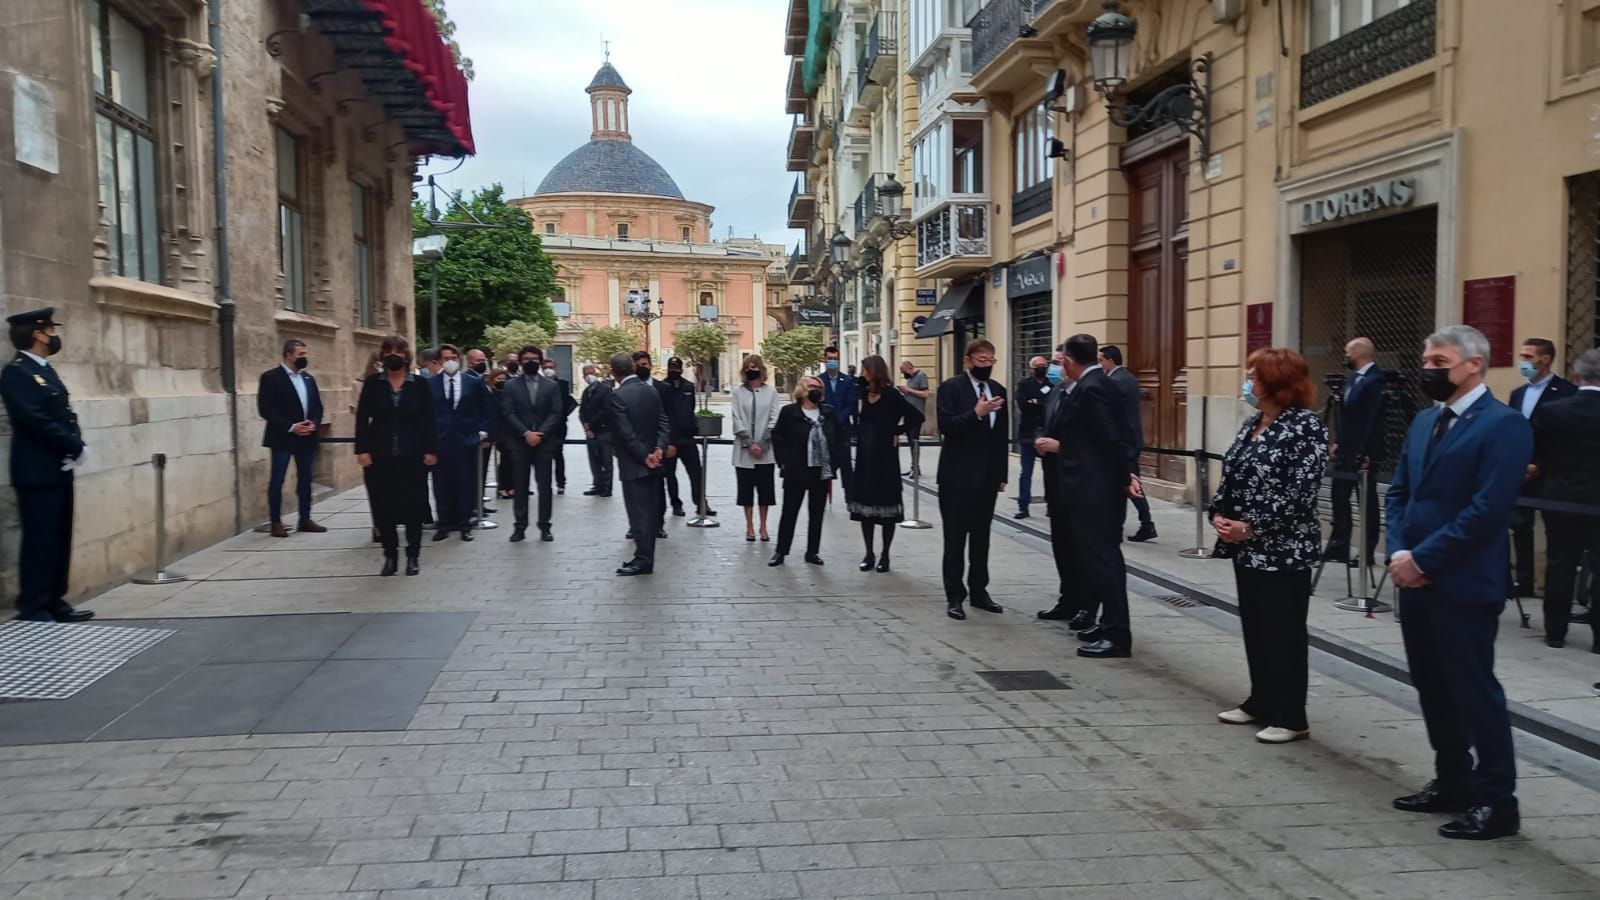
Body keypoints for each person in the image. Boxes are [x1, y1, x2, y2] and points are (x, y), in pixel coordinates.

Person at [1386, 325, 1531, 841]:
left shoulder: (1504, 425)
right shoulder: (1425, 421)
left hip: (1464, 583)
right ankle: (1452, 780)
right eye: (1426, 357)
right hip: (1415, 581)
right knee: (1431, 686)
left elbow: (1488, 510)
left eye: (1439, 359)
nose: (1428, 367)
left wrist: (1424, 559)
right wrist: (1398, 551)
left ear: (1473, 364)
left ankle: (1497, 800)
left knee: (1473, 691)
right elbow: (1399, 492)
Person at [1208, 348, 1329, 745]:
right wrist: (1219, 515)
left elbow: (1300, 491)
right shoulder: (1252, 423)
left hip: (1284, 548)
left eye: (1253, 375)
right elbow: (1232, 474)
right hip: (1245, 547)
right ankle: (1261, 699)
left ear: (1276, 382)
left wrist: (1254, 526)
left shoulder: (1306, 427)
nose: (1247, 382)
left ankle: (1291, 715)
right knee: (1256, 627)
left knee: (1284, 631)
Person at [1034, 335, 1140, 659]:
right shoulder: (1094, 383)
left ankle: (1117, 634)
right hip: (1090, 488)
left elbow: (1110, 439)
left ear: (1068, 360)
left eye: (1061, 360)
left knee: (1105, 562)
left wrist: (1124, 479)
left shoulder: (1093, 387)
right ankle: (1107, 624)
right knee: (1097, 561)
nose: (1059, 365)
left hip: (1095, 491)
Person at [0, 308, 93, 623]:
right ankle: (34, 605)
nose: (54, 334)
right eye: (51, 329)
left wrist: (74, 446)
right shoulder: (16, 372)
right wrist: (73, 446)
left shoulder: (45, 370)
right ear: (37, 333)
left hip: (57, 467)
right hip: (35, 471)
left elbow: (64, 414)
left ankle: (55, 600)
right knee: (39, 540)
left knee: (58, 537)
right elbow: (33, 420)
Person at [1531, 348, 1600, 650]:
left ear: (1576, 375)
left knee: (1560, 563)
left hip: (1560, 498)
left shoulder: (1553, 411)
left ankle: (1555, 632)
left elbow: (1537, 454)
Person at [354, 336, 439, 577]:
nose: (394, 355)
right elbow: (362, 418)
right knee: (383, 507)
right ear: (382, 355)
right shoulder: (373, 383)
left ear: (406, 355)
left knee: (413, 505)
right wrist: (362, 450)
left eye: (399, 351)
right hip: (380, 454)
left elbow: (429, 419)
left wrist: (431, 450)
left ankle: (413, 555)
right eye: (389, 350)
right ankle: (390, 555)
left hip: (412, 453)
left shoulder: (419, 385)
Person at [936, 339, 1008, 620]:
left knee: (982, 538)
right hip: (956, 477)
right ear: (967, 360)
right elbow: (946, 427)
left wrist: (1001, 474)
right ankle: (955, 595)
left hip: (987, 478)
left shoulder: (998, 391)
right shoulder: (951, 388)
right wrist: (976, 414)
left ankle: (980, 590)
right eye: (981, 361)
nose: (986, 365)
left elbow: (1001, 437)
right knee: (954, 539)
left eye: (991, 361)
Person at [1509, 338, 1576, 597]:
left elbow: (1566, 438)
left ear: (1545, 360)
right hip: (1521, 471)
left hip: (1551, 473)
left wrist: (1541, 464)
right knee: (1520, 526)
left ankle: (1554, 586)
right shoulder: (1518, 393)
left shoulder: (1567, 391)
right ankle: (1523, 581)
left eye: (1527, 356)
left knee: (1555, 531)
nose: (1522, 362)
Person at [851, 355, 924, 572]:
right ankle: (869, 553)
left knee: (887, 509)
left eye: (865, 370)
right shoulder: (863, 395)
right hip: (865, 456)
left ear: (874, 371)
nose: (862, 374)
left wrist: (896, 431)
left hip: (885, 457)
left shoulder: (892, 395)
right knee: (866, 509)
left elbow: (916, 416)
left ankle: (885, 555)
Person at [770, 375, 846, 566]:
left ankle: (812, 552)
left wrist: (834, 461)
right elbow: (778, 437)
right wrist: (783, 462)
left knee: (816, 513)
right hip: (796, 470)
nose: (816, 389)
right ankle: (781, 551)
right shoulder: (789, 412)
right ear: (802, 389)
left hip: (820, 471)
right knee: (789, 512)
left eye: (819, 387)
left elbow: (839, 438)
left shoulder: (828, 412)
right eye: (812, 386)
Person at [605, 351, 669, 576]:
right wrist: (659, 449)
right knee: (650, 513)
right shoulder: (651, 390)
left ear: (613, 372)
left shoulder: (617, 395)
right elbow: (663, 422)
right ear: (632, 368)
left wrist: (644, 456)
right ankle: (644, 556)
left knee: (638, 513)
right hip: (655, 460)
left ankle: (643, 560)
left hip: (634, 463)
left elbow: (625, 432)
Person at [1324, 337, 1387, 566]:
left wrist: (1366, 452)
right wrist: (1339, 441)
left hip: (1364, 453)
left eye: (1347, 352)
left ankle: (1367, 552)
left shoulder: (1375, 381)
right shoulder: (1352, 379)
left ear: (1359, 353)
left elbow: (1373, 421)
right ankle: (1339, 544)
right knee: (1339, 497)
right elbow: (1348, 418)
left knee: (1366, 502)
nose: (1345, 356)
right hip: (1346, 451)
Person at [257, 339, 326, 538]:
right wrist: (291, 426)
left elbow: (317, 406)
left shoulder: (308, 379)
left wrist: (314, 423)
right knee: (277, 479)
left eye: (305, 354)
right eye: (300, 355)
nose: (304, 358)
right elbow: (266, 408)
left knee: (306, 478)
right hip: (282, 437)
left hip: (307, 437)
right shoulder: (271, 378)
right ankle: (276, 521)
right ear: (288, 355)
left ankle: (305, 518)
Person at [428, 345, 491, 542]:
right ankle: (444, 524)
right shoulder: (430, 384)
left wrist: (482, 432)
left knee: (466, 484)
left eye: (454, 357)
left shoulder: (473, 382)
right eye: (446, 357)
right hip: (441, 441)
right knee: (441, 485)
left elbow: (486, 409)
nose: (450, 361)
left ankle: (465, 525)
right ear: (439, 361)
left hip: (466, 440)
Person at [501, 345, 564, 543]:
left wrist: (541, 433)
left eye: (535, 358)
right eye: (526, 358)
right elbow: (508, 412)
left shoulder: (551, 385)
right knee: (520, 486)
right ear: (520, 361)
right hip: (520, 443)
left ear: (540, 360)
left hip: (544, 444)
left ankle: (545, 526)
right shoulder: (511, 386)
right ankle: (520, 527)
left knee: (545, 487)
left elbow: (556, 412)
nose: (531, 361)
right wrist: (526, 433)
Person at [1100, 345, 1157, 542]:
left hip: (1124, 441)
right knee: (1128, 482)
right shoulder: (1129, 377)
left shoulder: (1114, 381)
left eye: (1101, 360)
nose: (1100, 364)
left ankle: (1146, 524)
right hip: (1131, 438)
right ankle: (1143, 523)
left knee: (1129, 483)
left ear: (1110, 360)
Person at [731, 354, 780, 542]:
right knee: (746, 491)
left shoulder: (771, 392)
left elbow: (774, 417)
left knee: (765, 491)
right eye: (748, 367)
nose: (752, 370)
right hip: (744, 451)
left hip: (765, 451)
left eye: (755, 367)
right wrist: (748, 442)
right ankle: (749, 526)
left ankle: (764, 526)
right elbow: (736, 417)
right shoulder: (738, 393)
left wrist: (763, 443)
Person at [661, 357, 712, 516]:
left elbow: (690, 410)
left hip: (687, 439)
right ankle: (676, 504)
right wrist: (668, 440)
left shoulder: (689, 387)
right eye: (672, 367)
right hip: (670, 440)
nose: (674, 370)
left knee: (697, 473)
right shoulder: (662, 387)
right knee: (670, 475)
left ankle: (701, 503)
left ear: (681, 369)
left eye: (677, 368)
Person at [1012, 355, 1052, 520]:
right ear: (1031, 369)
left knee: (1049, 472)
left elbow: (1051, 407)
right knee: (1026, 471)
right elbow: (1023, 406)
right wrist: (1039, 405)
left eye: (1044, 365)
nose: (1042, 367)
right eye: (1038, 365)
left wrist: (1037, 403)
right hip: (1028, 433)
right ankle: (1023, 506)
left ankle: (1051, 504)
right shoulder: (1024, 385)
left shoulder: (1052, 384)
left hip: (1047, 433)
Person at [821, 345, 857, 500]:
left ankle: (850, 498)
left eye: (835, 359)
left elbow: (851, 404)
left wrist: (840, 418)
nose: (832, 362)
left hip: (842, 430)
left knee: (846, 466)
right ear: (825, 359)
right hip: (824, 430)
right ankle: (821, 497)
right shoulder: (819, 380)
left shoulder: (847, 381)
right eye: (829, 359)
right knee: (825, 465)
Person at [579, 364, 615, 497]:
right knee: (594, 460)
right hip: (590, 432)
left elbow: (605, 410)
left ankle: (607, 487)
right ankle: (597, 484)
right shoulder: (586, 391)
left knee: (606, 460)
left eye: (591, 372)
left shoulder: (605, 390)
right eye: (586, 374)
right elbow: (582, 411)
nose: (588, 376)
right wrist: (585, 426)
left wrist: (591, 424)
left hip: (603, 430)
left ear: (595, 373)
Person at [541, 359, 577, 494]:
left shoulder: (562, 384)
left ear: (554, 367)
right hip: (543, 426)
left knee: (558, 454)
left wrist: (563, 415)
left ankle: (561, 483)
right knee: (544, 456)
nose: (548, 369)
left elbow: (568, 402)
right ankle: (545, 483)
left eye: (550, 367)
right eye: (545, 367)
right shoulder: (539, 384)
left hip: (559, 426)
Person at [898, 359, 930, 477]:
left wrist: (908, 390)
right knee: (910, 442)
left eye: (903, 371)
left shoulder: (921, 376)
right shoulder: (910, 379)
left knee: (914, 441)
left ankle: (916, 468)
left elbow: (925, 394)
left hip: (916, 414)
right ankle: (914, 467)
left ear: (909, 368)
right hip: (908, 414)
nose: (903, 374)